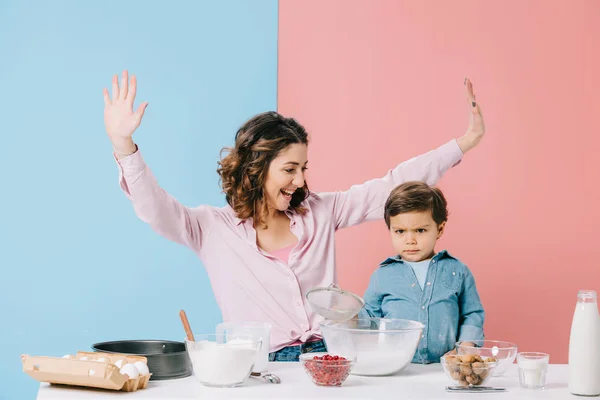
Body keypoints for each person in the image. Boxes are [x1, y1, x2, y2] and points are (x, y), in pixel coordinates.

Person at [102, 70, 486, 362]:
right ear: (257, 166)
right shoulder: (209, 228)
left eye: (304, 167)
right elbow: (154, 208)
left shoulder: (321, 210)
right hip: (260, 367)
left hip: (330, 359)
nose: (301, 179)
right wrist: (124, 145)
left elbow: (391, 185)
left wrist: (463, 144)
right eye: (290, 169)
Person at [358, 181, 485, 364]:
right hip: (395, 368)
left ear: (439, 229)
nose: (410, 240)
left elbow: (472, 313)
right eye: (400, 231)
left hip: (446, 368)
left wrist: (466, 346)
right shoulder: (382, 275)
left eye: (420, 230)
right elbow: (370, 317)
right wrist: (349, 313)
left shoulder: (457, 270)